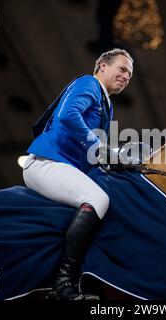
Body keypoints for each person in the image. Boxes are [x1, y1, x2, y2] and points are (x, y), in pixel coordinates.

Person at [23, 48, 133, 300]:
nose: (126, 77)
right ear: (103, 66)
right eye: (122, 69)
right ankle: (62, 282)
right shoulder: (89, 83)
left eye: (129, 75)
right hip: (46, 162)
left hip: (64, 166)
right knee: (98, 200)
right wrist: (101, 148)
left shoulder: (107, 104)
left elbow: (94, 153)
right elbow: (68, 117)